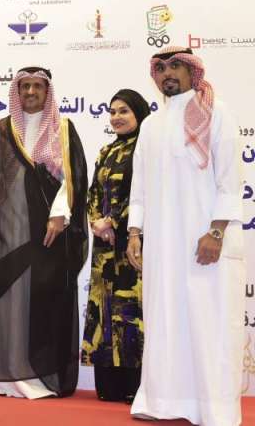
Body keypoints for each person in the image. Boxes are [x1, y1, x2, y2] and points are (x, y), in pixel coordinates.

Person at [127, 47, 245, 425]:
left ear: (193, 71)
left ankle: (213, 409)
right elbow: (139, 188)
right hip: (162, 245)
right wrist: (135, 233)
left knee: (207, 321)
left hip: (203, 241)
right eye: (161, 68)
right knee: (165, 319)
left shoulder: (217, 114)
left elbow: (230, 181)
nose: (168, 74)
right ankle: (162, 402)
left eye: (176, 66)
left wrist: (216, 231)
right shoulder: (151, 125)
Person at [0, 66, 88, 398]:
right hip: (10, 230)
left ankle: (38, 378)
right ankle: (2, 375)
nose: (30, 92)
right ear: (17, 92)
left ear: (47, 92)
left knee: (41, 301)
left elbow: (73, 177)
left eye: (37, 86)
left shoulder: (63, 127)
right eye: (24, 87)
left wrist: (60, 215)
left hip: (48, 233)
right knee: (9, 301)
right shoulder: (4, 128)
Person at [80, 89, 150, 403]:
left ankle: (136, 383)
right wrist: (96, 221)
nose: (117, 117)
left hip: (133, 243)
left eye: (124, 111)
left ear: (139, 113)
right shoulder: (106, 151)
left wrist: (114, 221)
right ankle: (109, 383)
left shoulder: (147, 148)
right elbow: (93, 192)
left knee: (131, 312)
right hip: (104, 247)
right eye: (112, 112)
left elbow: (144, 193)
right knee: (105, 309)